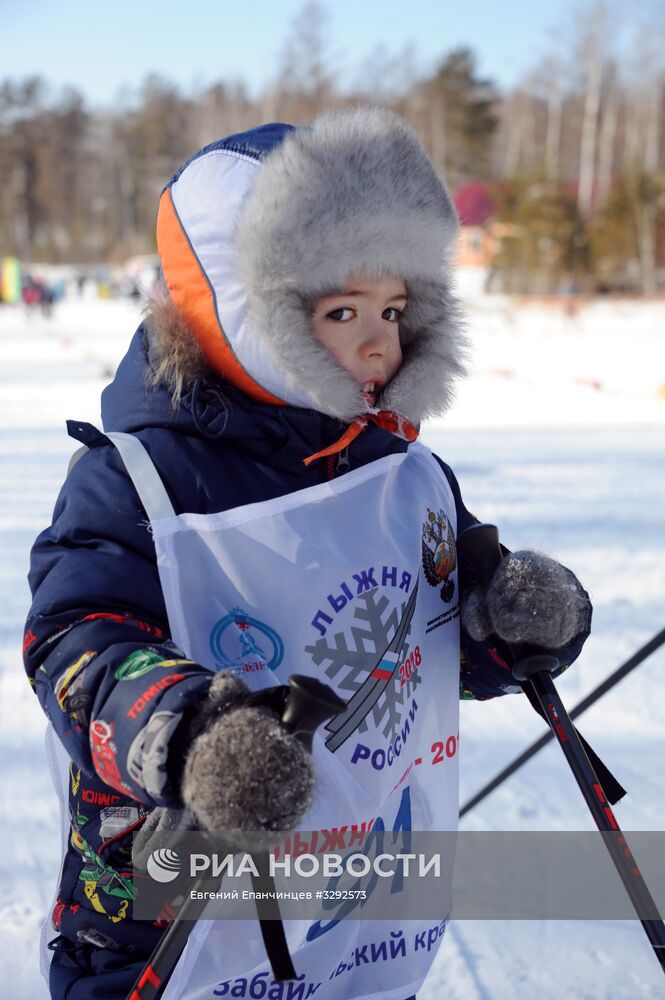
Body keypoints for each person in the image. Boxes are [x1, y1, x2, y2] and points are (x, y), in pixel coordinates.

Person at [24, 108, 592, 1000]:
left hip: (354, 895)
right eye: (340, 311)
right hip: (171, 911)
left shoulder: (400, 472)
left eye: (394, 309)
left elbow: (431, 634)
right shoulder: (137, 479)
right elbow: (74, 640)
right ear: (246, 311)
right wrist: (188, 734)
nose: (379, 343)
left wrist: (507, 621)